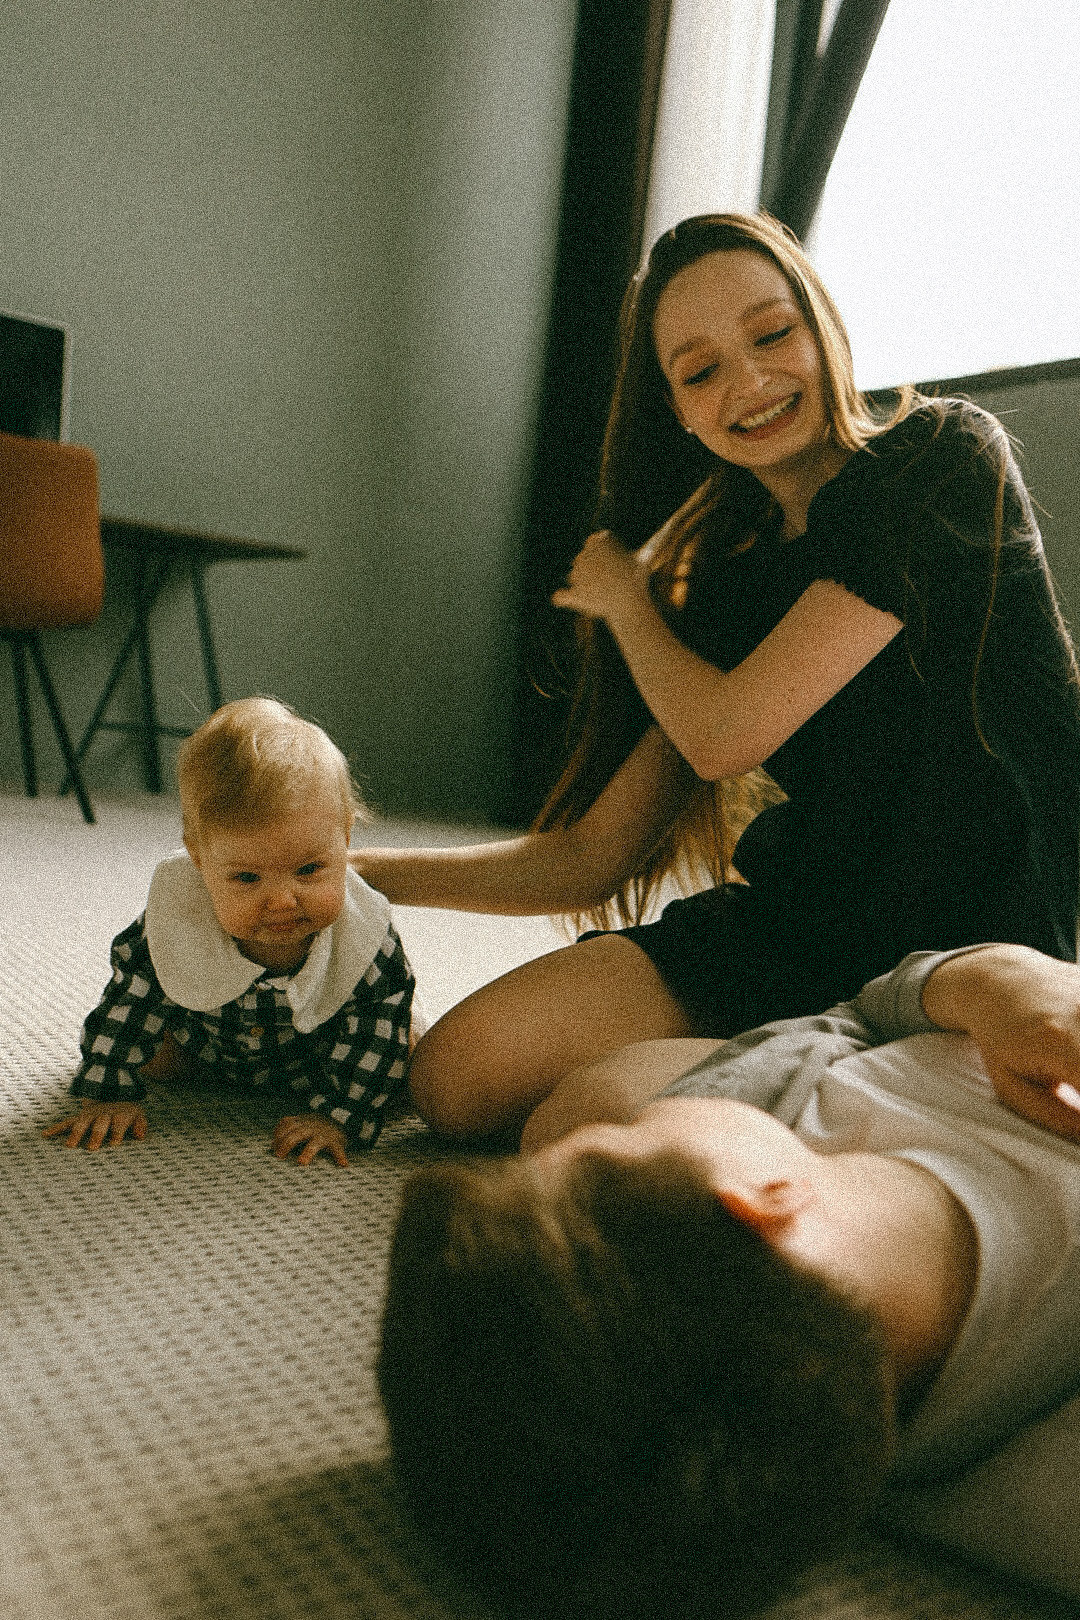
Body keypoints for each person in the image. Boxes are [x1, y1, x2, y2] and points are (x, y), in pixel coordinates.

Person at [352, 210, 1080, 1142]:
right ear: (676, 406)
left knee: (578, 1128)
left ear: (820, 323)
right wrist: (349, 874)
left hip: (970, 937)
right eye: (699, 371)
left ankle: (839, 1066)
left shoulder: (940, 459)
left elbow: (726, 735)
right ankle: (822, 1059)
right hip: (806, 922)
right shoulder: (732, 574)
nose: (750, 381)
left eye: (772, 334)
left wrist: (628, 604)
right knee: (453, 1080)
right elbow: (591, 857)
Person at [378, 942, 1080, 1620]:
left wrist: (995, 981)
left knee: (597, 1093)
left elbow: (868, 1009)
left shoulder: (783, 1107)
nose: (647, 1113)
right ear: (757, 1197)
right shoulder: (1045, 1483)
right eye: (619, 1138)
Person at [44, 697, 416, 1165]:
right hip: (209, 1045)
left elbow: (374, 1036)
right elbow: (127, 1004)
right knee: (152, 1049)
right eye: (246, 878)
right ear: (199, 858)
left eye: (308, 869)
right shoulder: (177, 919)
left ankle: (340, 1096)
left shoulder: (364, 940)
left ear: (345, 837)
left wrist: (340, 1116)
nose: (282, 900)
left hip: (319, 1055)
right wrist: (108, 1090)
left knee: (403, 1053)